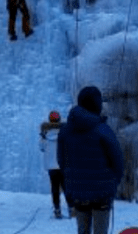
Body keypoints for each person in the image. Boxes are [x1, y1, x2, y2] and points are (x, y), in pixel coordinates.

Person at [57, 86, 124, 234]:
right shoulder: (103, 129)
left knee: (82, 230)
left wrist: (71, 182)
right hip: (102, 193)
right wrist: (113, 183)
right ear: (97, 105)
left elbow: (61, 161)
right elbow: (117, 162)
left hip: (78, 192)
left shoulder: (65, 131)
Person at [40, 110, 70, 219]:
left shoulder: (45, 135)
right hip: (63, 165)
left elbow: (41, 148)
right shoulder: (65, 133)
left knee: (55, 188)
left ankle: (57, 209)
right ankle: (71, 208)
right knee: (66, 187)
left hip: (51, 167)